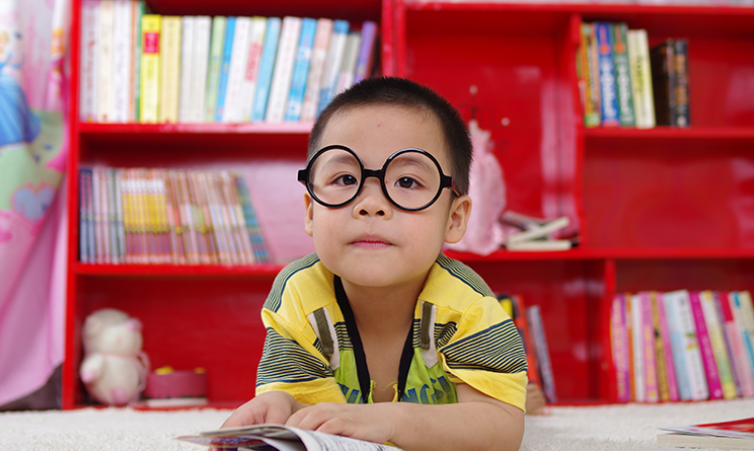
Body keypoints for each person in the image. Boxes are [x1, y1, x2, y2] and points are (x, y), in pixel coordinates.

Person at [222, 77, 528, 451]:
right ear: (310, 211)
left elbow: (501, 429)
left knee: (515, 399)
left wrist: (390, 420)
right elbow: (318, 420)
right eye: (346, 178)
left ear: (454, 219)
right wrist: (284, 406)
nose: (371, 203)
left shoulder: (468, 305)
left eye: (408, 181)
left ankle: (523, 391)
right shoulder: (299, 296)